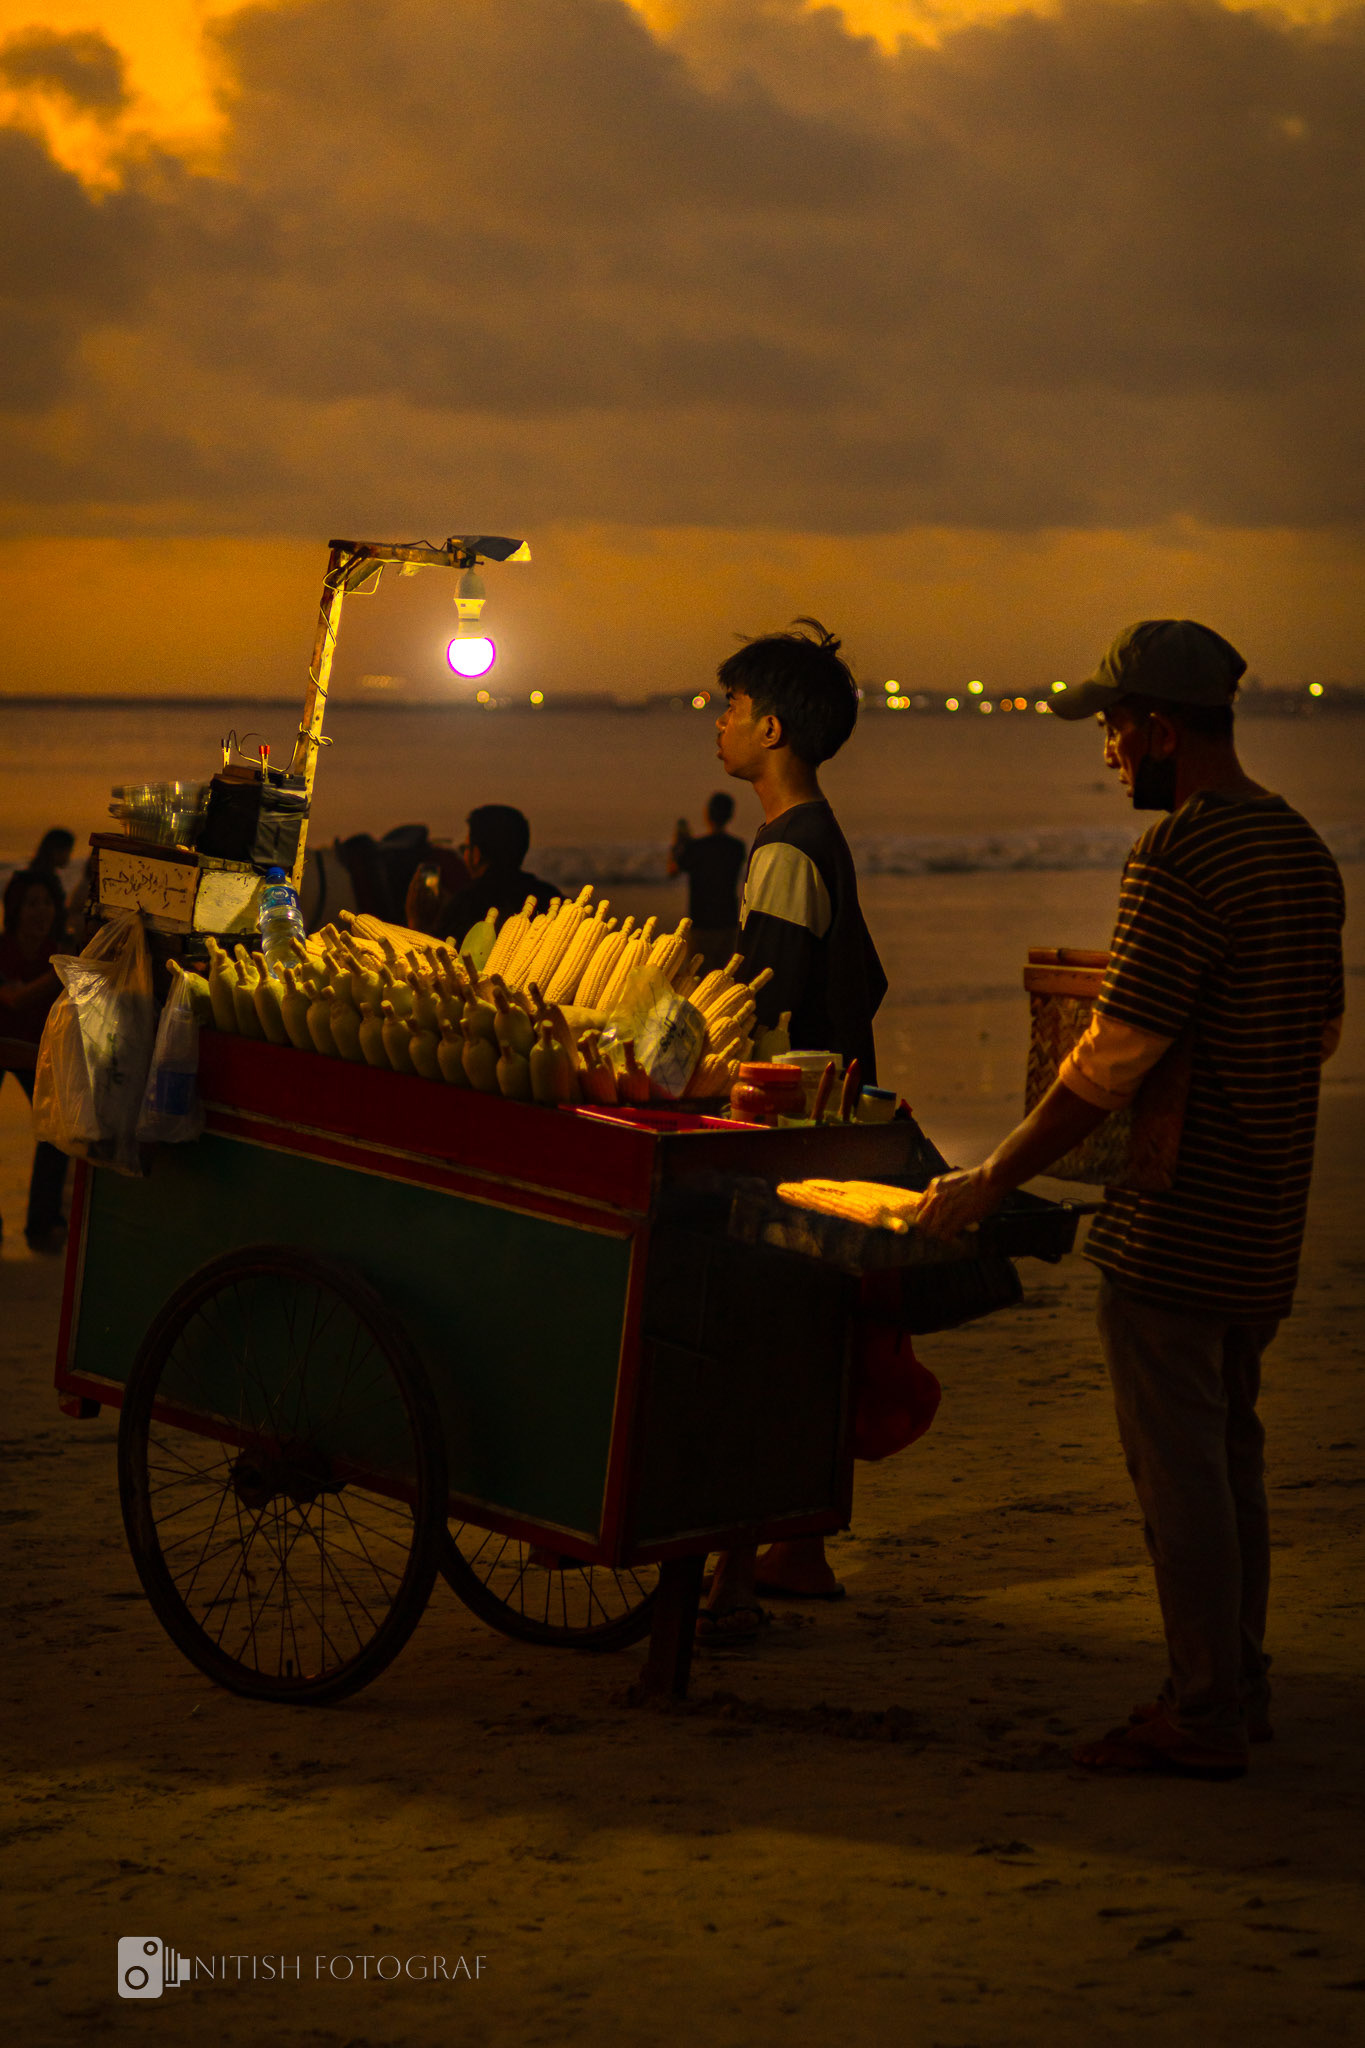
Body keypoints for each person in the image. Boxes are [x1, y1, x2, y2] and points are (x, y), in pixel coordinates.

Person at [917, 619, 1346, 1781]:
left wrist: (993, 1176)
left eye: (1111, 729)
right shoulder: (1302, 849)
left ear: (1159, 729)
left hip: (1177, 1219)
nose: (1105, 752)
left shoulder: (1180, 855)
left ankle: (1203, 1711)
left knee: (1181, 1471)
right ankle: (1238, 1685)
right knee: (1232, 1455)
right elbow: (1318, 1030)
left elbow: (1113, 1060)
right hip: (1268, 1210)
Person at [699, 618, 887, 1643]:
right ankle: (799, 1549)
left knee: (753, 1337)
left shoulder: (784, 849)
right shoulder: (819, 835)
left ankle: (731, 1574)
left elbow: (760, 1007)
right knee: (806, 1337)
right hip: (835, 1113)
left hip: (793, 1126)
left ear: (769, 728)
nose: (717, 722)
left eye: (729, 706)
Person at [0, 868, 73, 1252]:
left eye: (46, 902)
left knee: (54, 1132)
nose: (40, 911)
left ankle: (42, 1222)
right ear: (15, 909)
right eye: (31, 903)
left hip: (35, 1054)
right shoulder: (4, 950)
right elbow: (14, 1000)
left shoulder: (57, 950)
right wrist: (64, 971)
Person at [438, 805, 555, 949]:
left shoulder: (465, 904)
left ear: (476, 854)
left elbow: (439, 951)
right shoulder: (549, 899)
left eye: (465, 848)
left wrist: (419, 920)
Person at [668, 793, 746, 972]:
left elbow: (672, 870)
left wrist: (678, 844)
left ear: (707, 814)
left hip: (701, 922)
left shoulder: (696, 847)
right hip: (727, 920)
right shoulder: (737, 847)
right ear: (730, 815)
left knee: (698, 977)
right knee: (724, 976)